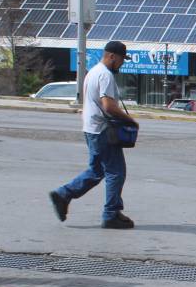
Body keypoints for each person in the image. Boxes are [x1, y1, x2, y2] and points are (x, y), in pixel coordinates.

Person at [49, 41, 138, 229]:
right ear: (112, 56)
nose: (122, 63)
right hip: (103, 130)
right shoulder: (105, 75)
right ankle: (111, 214)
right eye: (122, 59)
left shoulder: (93, 72)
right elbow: (109, 106)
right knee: (116, 172)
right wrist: (130, 120)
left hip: (91, 128)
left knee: (97, 171)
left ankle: (63, 194)